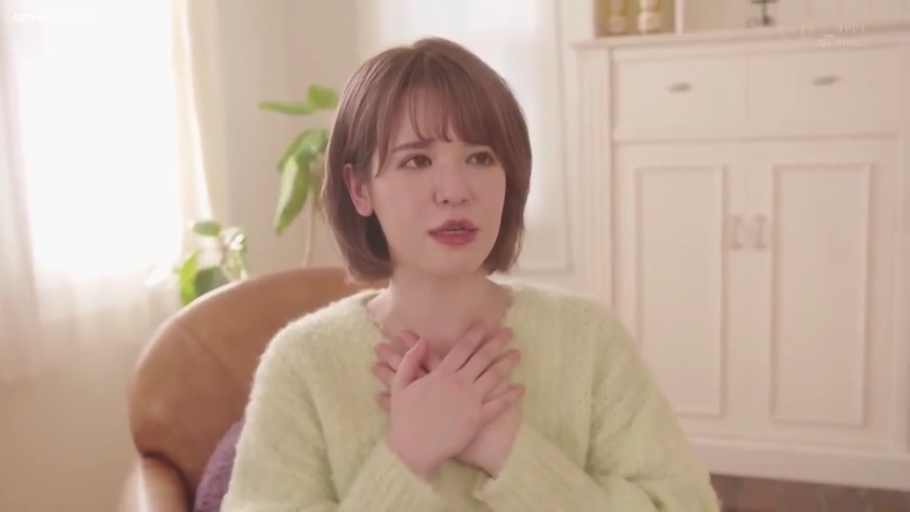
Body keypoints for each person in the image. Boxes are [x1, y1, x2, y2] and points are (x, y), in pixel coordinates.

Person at [221, 36, 721, 511]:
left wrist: (508, 450)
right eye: (417, 160)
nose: (455, 190)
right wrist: (409, 456)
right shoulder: (303, 362)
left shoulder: (589, 340)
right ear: (360, 189)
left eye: (480, 157)